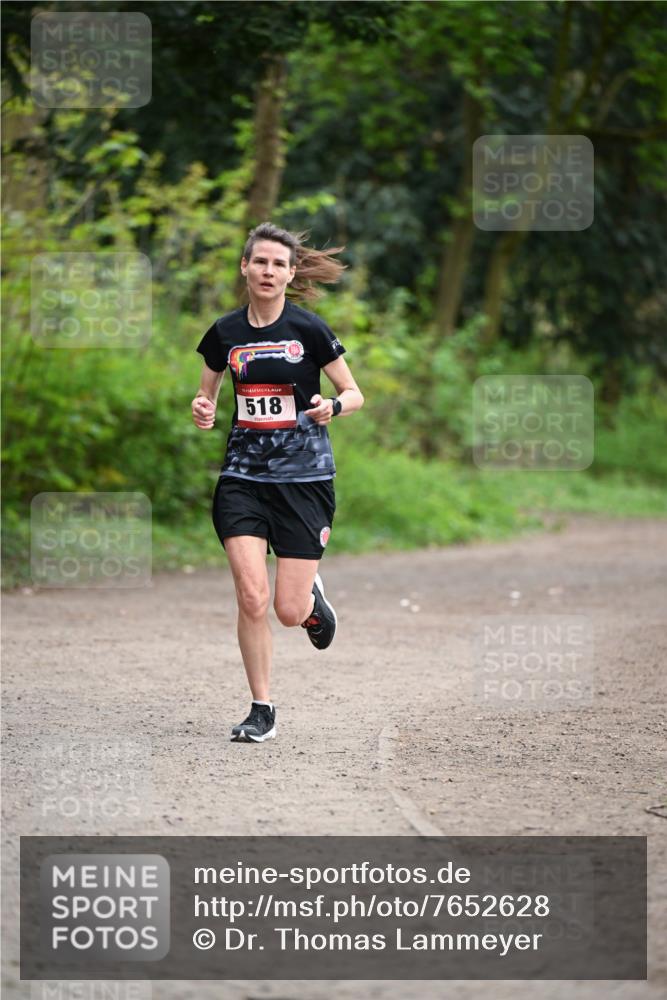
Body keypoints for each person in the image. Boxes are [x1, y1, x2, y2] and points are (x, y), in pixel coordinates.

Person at [192, 222, 364, 743]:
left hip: (304, 479)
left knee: (287, 611)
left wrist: (332, 406)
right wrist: (203, 408)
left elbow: (353, 393)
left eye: (278, 264)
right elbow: (207, 395)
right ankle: (261, 709)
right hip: (242, 477)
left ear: (290, 274)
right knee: (251, 597)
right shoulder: (224, 333)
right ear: (245, 267)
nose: (268, 271)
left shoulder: (308, 329)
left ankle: (310, 601)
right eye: (260, 261)